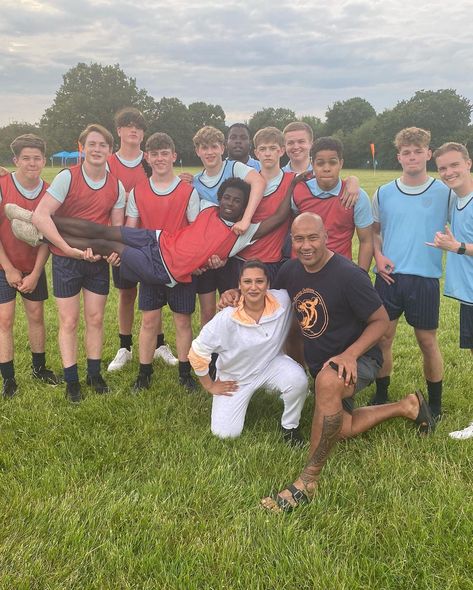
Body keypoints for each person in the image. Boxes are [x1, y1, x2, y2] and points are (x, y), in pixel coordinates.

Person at [220, 213, 436, 512]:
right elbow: (265, 296)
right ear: (292, 241)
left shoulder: (349, 275)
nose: (306, 245)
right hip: (323, 364)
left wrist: (350, 354)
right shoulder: (290, 270)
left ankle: (308, 480)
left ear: (326, 237)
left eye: (312, 237)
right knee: (342, 429)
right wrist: (235, 294)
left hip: (360, 357)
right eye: (299, 239)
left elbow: (381, 321)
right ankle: (407, 406)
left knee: (328, 383)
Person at [8, 176, 296, 296]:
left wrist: (294, 181)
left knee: (107, 244)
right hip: (157, 239)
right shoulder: (209, 208)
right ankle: (37, 218)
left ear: (244, 207)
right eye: (227, 198)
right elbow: (193, 184)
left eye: (236, 202)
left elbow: (279, 217)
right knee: (104, 230)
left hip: (164, 268)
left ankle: (40, 237)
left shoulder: (241, 234)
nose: (230, 204)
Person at [29, 124, 126, 402]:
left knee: (95, 319)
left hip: (96, 262)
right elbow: (40, 216)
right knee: (69, 321)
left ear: (110, 150)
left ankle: (94, 374)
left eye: (103, 145)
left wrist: (115, 252)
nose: (97, 150)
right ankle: (72, 380)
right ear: (82, 147)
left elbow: (116, 230)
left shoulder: (116, 185)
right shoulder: (67, 178)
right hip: (65, 261)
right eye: (92, 144)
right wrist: (66, 249)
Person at [371, 127, 451, 417]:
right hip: (390, 277)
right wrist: (378, 256)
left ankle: (437, 405)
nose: (413, 156)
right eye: (407, 152)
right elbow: (375, 232)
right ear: (399, 157)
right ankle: (381, 396)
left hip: (425, 278)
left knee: (427, 341)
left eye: (419, 151)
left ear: (429, 154)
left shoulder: (444, 192)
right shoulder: (384, 192)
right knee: (383, 338)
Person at [188, 260, 308, 444]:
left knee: (298, 379)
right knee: (225, 434)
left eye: (259, 282)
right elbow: (197, 351)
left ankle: (290, 428)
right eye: (247, 282)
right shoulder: (226, 318)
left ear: (268, 284)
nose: (253, 287)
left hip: (270, 365)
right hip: (235, 378)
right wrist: (209, 385)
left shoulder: (282, 300)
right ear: (239, 285)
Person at [125, 132, 200, 392]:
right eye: (154, 154)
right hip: (150, 267)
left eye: (164, 153)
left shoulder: (188, 192)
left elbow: (196, 232)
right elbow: (131, 232)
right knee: (149, 320)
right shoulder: (138, 192)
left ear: (174, 156)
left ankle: (184, 372)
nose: (159, 158)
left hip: (180, 267)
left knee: (182, 321)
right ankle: (144, 374)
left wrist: (192, 260)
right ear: (146, 157)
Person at [107, 108, 177, 371]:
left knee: (153, 294)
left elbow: (165, 182)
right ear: (119, 131)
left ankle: (159, 345)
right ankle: (124, 346)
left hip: (148, 239)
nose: (133, 129)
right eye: (127, 125)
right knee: (126, 294)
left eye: (138, 126)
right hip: (119, 237)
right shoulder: (108, 163)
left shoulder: (149, 161)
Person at [0, 134, 61, 397]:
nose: (32, 163)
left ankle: (39, 368)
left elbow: (48, 238)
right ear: (16, 160)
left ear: (44, 160)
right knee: (5, 320)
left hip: (32, 265)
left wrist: (36, 273)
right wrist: (9, 269)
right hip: (4, 265)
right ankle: (8, 379)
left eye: (37, 158)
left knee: (36, 316)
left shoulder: (49, 191)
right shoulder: (3, 186)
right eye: (26, 158)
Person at [191, 126, 266, 328]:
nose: (209, 152)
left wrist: (246, 219)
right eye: (204, 147)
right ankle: (207, 356)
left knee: (233, 306)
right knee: (207, 311)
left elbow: (259, 183)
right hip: (207, 256)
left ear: (222, 148)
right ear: (197, 151)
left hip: (233, 253)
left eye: (214, 146)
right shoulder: (196, 182)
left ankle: (233, 354)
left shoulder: (233, 167)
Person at [428, 142, 473, 439]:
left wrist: (456, 247)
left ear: (468, 163)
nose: (448, 172)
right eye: (443, 168)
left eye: (454, 165)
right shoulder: (457, 200)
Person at [291, 136, 373, 271]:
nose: (327, 168)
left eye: (333, 163)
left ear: (341, 163)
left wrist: (361, 276)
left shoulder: (357, 196)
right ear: (312, 163)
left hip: (339, 271)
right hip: (302, 269)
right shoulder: (299, 191)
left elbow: (366, 241)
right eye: (320, 163)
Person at [232, 126, 295, 284]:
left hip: (273, 261)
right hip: (243, 258)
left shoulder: (293, 180)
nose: (267, 153)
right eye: (263, 149)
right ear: (256, 153)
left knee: (272, 307)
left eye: (273, 148)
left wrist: (352, 182)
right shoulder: (246, 183)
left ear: (281, 151)